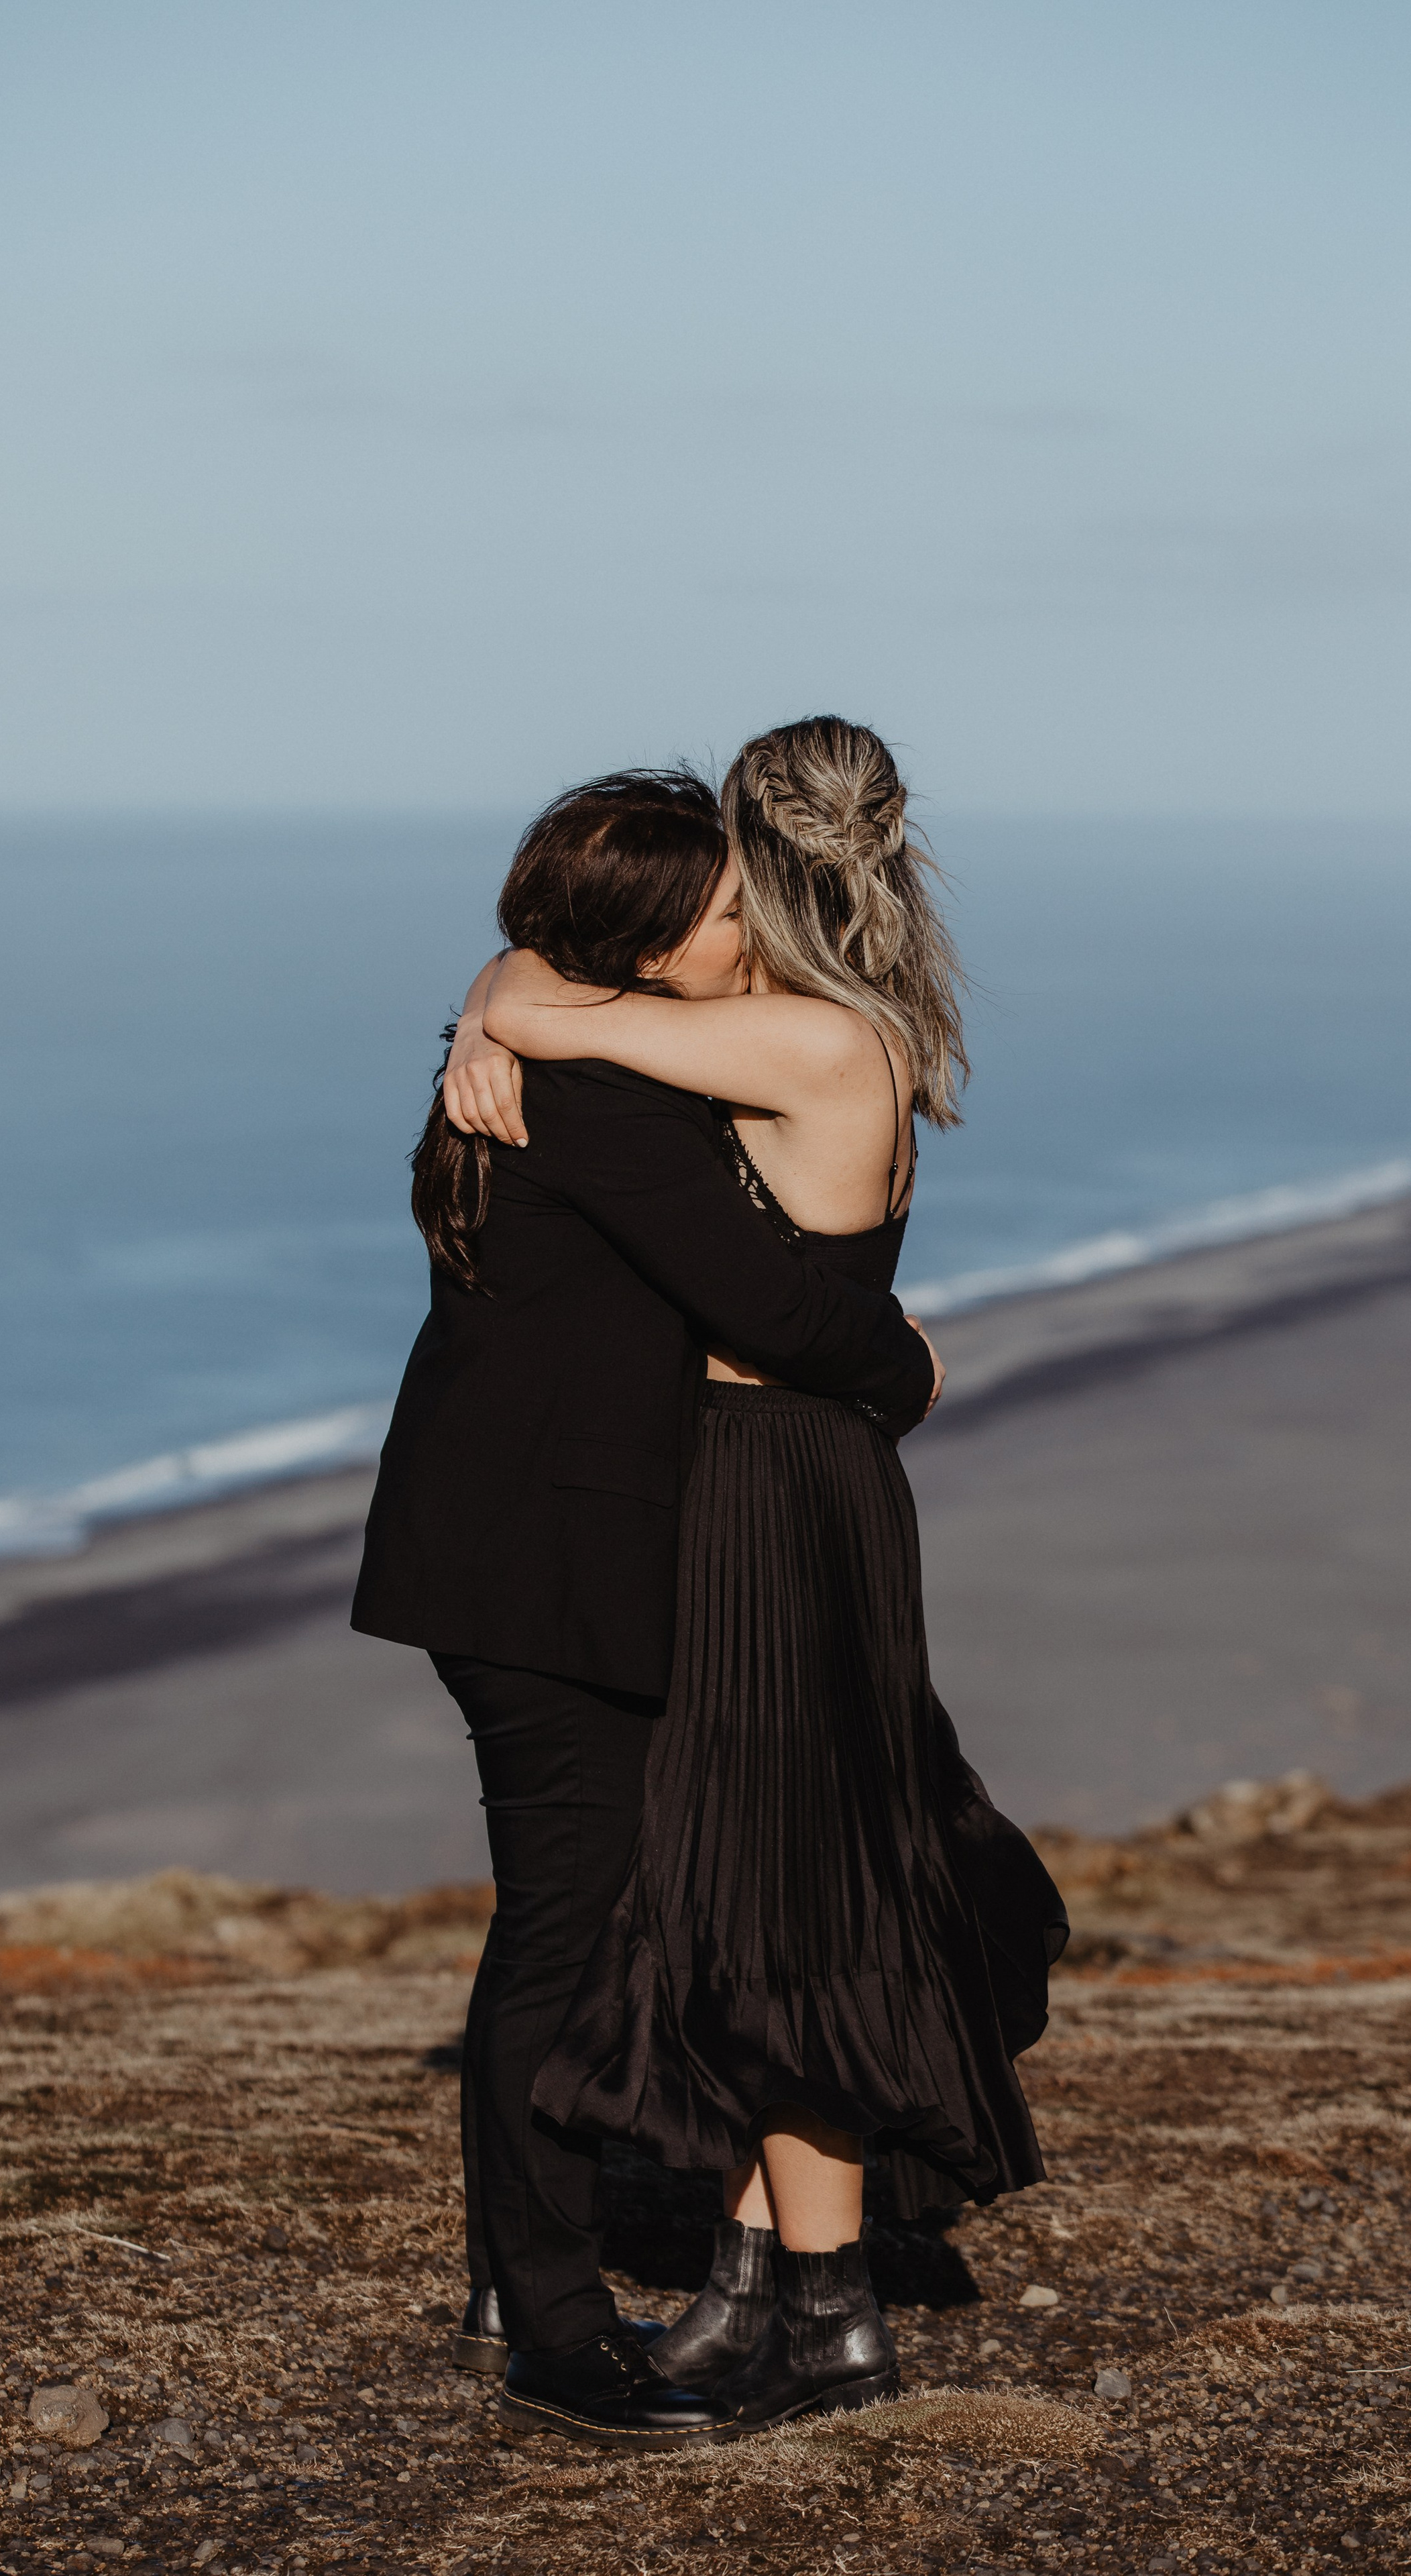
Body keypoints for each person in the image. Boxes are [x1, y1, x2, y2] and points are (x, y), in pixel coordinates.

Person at [457, 717, 1068, 2430]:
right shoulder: (840, 1023)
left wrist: (488, 1014)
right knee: (764, 1883)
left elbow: (541, 998)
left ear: (757, 869)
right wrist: (505, 993)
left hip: (759, 1484)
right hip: (796, 1480)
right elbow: (559, 980)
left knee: (771, 1894)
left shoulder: (791, 1038)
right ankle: (785, 2291)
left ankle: (807, 2302)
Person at [351, 767, 942, 2451]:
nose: (744, 928)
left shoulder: (554, 1045)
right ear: (640, 939)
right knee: (566, 1923)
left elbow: (534, 988)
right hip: (541, 1563)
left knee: (579, 1912)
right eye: (717, 908)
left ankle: (506, 2276)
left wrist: (499, 999)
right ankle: (549, 2325)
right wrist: (906, 1365)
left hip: (515, 1545)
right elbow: (769, 1305)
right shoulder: (601, 1101)